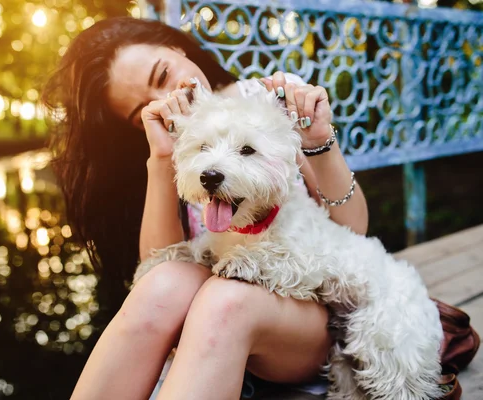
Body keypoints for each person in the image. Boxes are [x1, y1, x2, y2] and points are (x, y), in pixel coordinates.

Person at [41, 16, 369, 400]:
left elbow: (354, 229)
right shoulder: (156, 150)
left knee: (225, 299)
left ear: (177, 48)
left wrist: (319, 141)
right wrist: (162, 157)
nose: (166, 101)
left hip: (303, 318)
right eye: (142, 109)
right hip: (208, 329)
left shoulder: (271, 102)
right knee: (166, 285)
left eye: (163, 75)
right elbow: (157, 272)